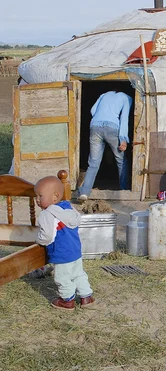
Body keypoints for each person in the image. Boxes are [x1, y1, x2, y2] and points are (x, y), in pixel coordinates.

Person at [35, 175, 95, 310]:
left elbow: (48, 236)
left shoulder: (47, 214)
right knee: (78, 273)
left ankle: (67, 300)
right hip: (75, 251)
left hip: (61, 253)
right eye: (36, 196)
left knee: (62, 278)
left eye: (40, 196)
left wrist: (38, 239)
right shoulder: (68, 207)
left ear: (55, 196)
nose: (37, 200)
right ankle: (86, 296)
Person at [77, 91, 132, 201]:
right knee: (121, 161)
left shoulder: (104, 95)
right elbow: (124, 118)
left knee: (93, 163)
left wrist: (101, 117)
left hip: (95, 126)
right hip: (112, 127)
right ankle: (124, 190)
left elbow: (93, 111)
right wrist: (123, 138)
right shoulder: (127, 98)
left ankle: (84, 192)